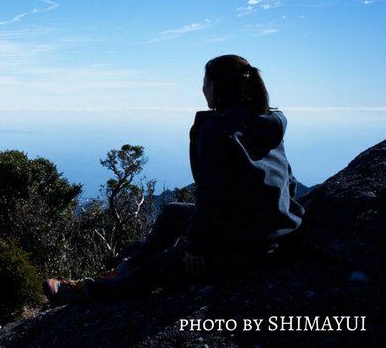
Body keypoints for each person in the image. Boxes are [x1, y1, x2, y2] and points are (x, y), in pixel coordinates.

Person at [45, 55, 304, 303]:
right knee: (171, 213)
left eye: (204, 82)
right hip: (270, 226)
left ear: (215, 86)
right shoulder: (266, 122)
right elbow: (287, 179)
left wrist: (197, 247)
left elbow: (213, 193)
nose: (203, 89)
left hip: (245, 242)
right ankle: (125, 267)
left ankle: (85, 290)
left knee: (155, 268)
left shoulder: (216, 128)